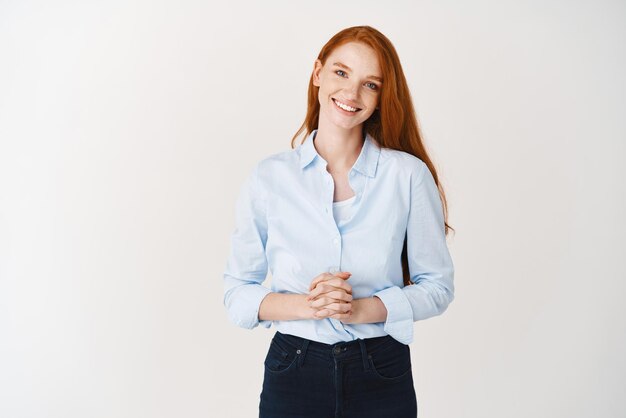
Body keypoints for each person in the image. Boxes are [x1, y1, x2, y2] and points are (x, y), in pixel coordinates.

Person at [223, 25, 455, 418]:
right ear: (318, 74)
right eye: (341, 73)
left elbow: (438, 287)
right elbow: (237, 294)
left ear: (382, 98)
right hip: (293, 370)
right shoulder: (269, 178)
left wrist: (363, 309)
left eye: (371, 84)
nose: (351, 94)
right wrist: (310, 305)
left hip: (381, 370)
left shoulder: (408, 177)